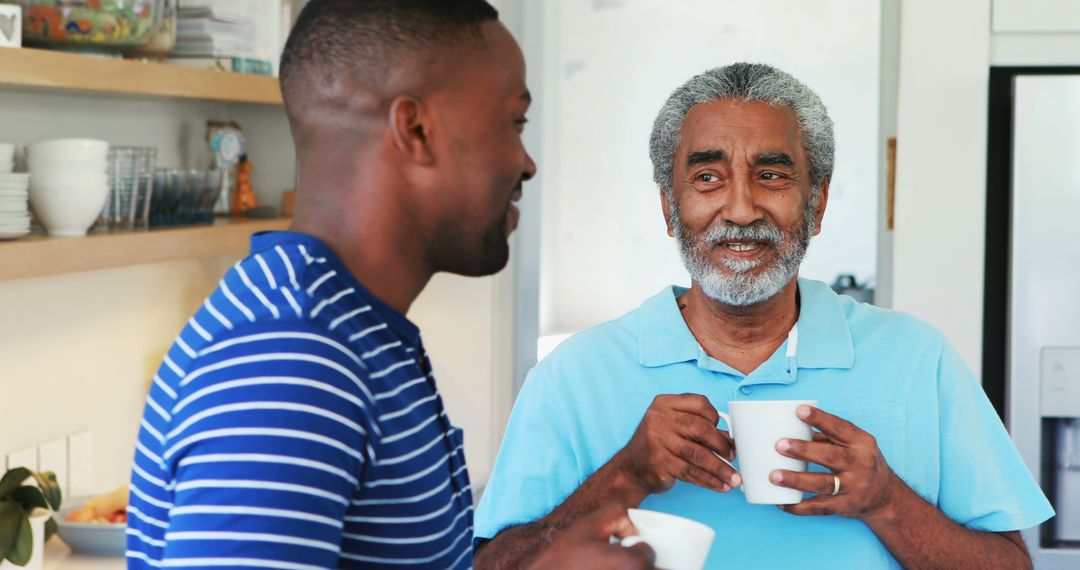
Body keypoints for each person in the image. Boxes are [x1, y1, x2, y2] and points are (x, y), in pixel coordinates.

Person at [125, 1, 654, 568]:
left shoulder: (358, 335)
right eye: (513, 122)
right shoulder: (294, 362)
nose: (526, 163)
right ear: (416, 129)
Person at [473, 62, 1054, 569]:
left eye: (772, 175)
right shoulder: (574, 375)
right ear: (669, 209)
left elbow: (1011, 564)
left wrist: (887, 501)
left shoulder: (918, 358)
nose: (743, 208)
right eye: (707, 177)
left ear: (817, 203)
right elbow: (492, 564)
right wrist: (624, 477)